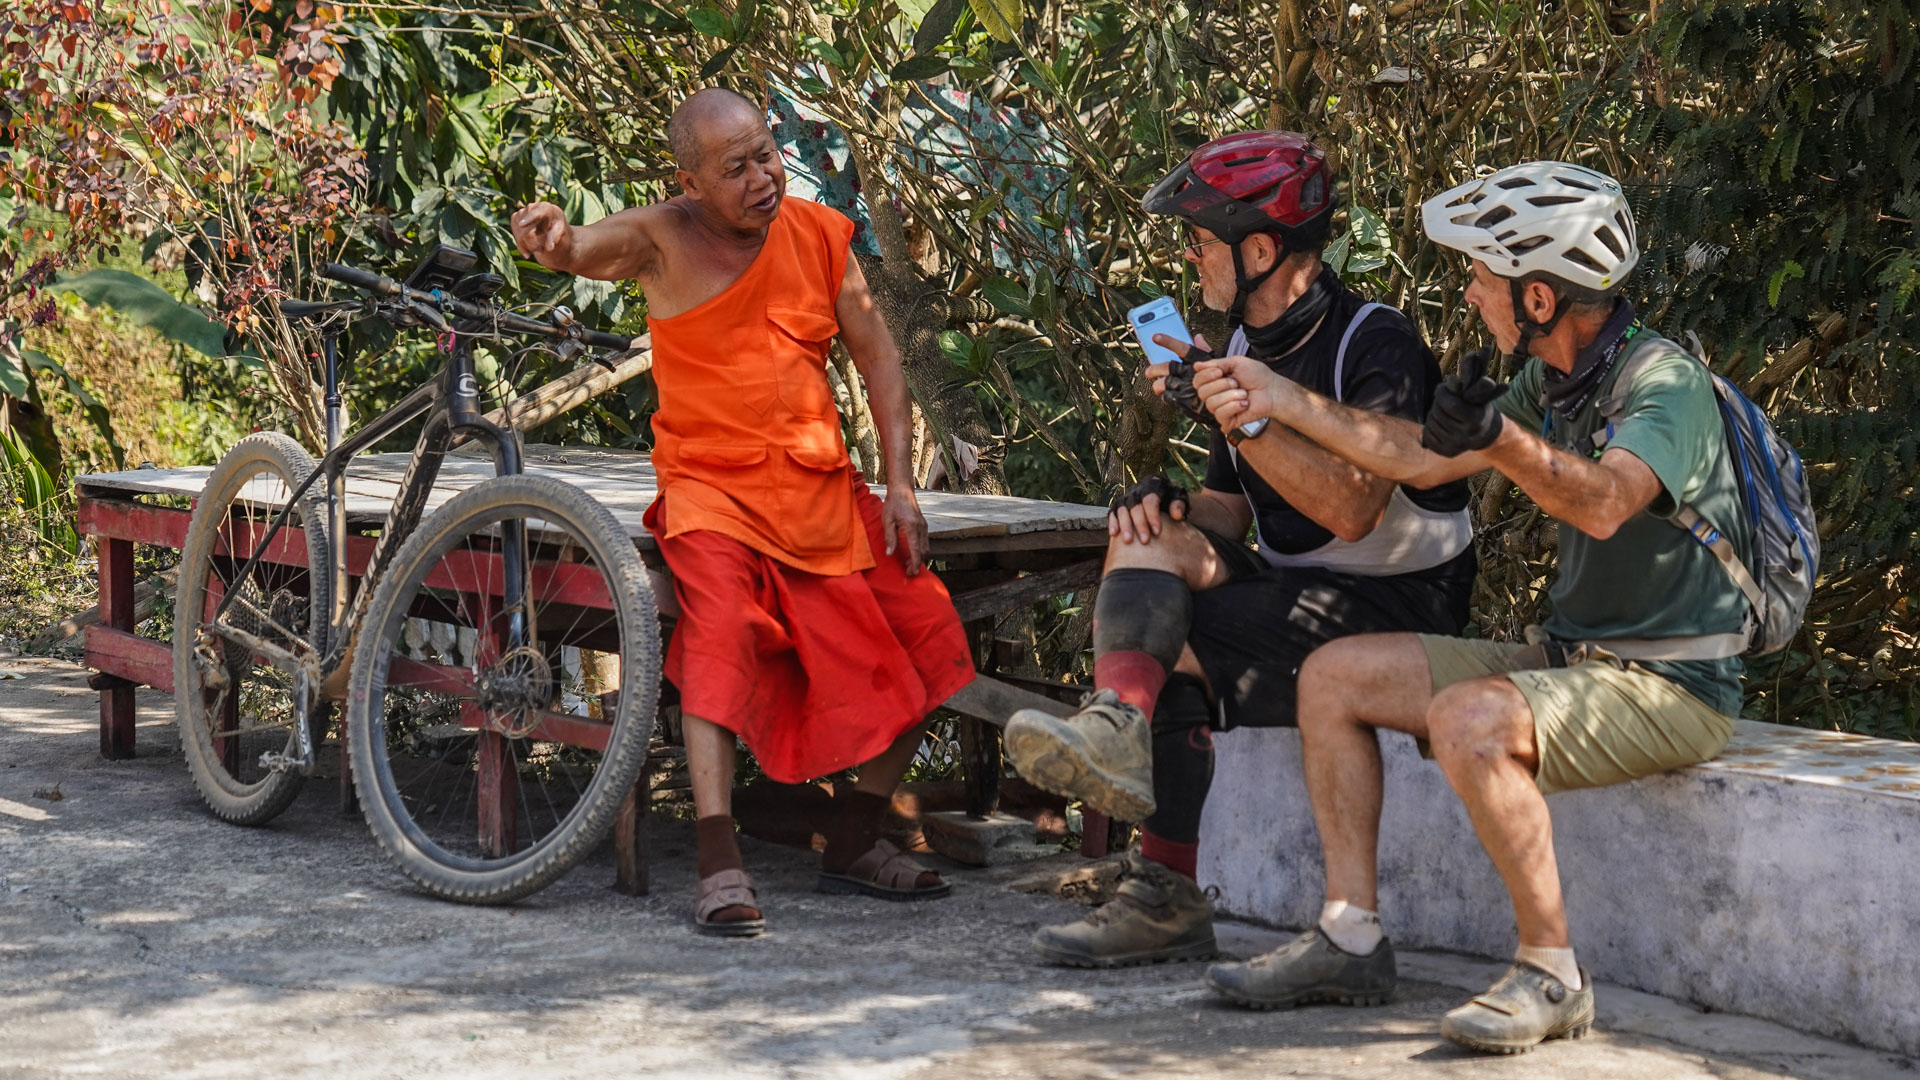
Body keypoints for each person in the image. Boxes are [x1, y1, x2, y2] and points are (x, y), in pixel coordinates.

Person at [1189, 161, 1753, 1052]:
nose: (1470, 290)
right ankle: (1349, 937)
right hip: (1575, 660)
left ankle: (1551, 973)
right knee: (1334, 676)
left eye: (1484, 277)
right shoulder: (1545, 382)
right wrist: (1278, 398)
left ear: (1537, 297)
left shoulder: (1661, 382)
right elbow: (1413, 458)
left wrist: (1504, 442)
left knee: (1471, 721)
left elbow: (1605, 503)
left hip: (1672, 677)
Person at [1002, 131, 1477, 968]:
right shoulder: (1240, 348)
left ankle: (1163, 893)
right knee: (1150, 541)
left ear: (1260, 249)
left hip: (1399, 607)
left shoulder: (1379, 340)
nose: (1189, 260)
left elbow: (1351, 510)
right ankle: (1117, 722)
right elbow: (1232, 506)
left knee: (1177, 644)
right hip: (1298, 594)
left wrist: (1240, 417)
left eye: (1197, 242)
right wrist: (1173, 503)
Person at [510, 87, 974, 937]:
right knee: (719, 633)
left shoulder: (820, 237)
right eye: (738, 168)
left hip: (822, 491)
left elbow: (879, 356)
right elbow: (583, 249)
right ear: (689, 183)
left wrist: (901, 483)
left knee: (931, 632)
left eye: (768, 154)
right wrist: (555, 242)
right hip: (710, 492)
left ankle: (857, 837)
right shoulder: (660, 238)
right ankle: (719, 855)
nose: (765, 177)